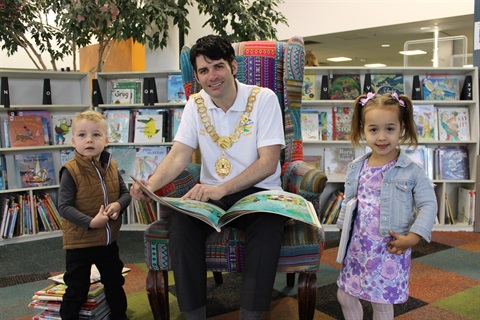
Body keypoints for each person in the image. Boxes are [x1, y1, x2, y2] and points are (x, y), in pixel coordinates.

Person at [130, 34, 286, 320]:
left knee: (268, 226)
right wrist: (150, 184)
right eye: (204, 70)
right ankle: (194, 315)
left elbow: (268, 162)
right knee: (180, 220)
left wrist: (220, 188)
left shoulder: (263, 99)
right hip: (213, 194)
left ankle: (251, 316)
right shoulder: (195, 104)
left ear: (233, 66)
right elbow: (179, 155)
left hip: (259, 191)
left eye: (218, 66)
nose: (212, 76)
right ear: (197, 76)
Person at [336, 92, 438, 320]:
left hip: (388, 248)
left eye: (389, 129)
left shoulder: (411, 170)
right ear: (363, 129)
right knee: (346, 295)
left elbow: (429, 204)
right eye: (374, 129)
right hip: (358, 247)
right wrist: (343, 229)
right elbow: (350, 201)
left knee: (381, 302)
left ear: (401, 128)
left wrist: (413, 237)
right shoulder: (356, 167)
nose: (382, 137)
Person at [58, 110, 131, 320]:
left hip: (108, 243)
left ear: (106, 140)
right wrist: (91, 222)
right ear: (73, 141)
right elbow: (63, 206)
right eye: (82, 135)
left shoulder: (112, 165)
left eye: (96, 135)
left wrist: (118, 205)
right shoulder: (70, 170)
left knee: (115, 283)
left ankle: (120, 317)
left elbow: (125, 194)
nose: (89, 140)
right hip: (80, 244)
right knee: (77, 289)